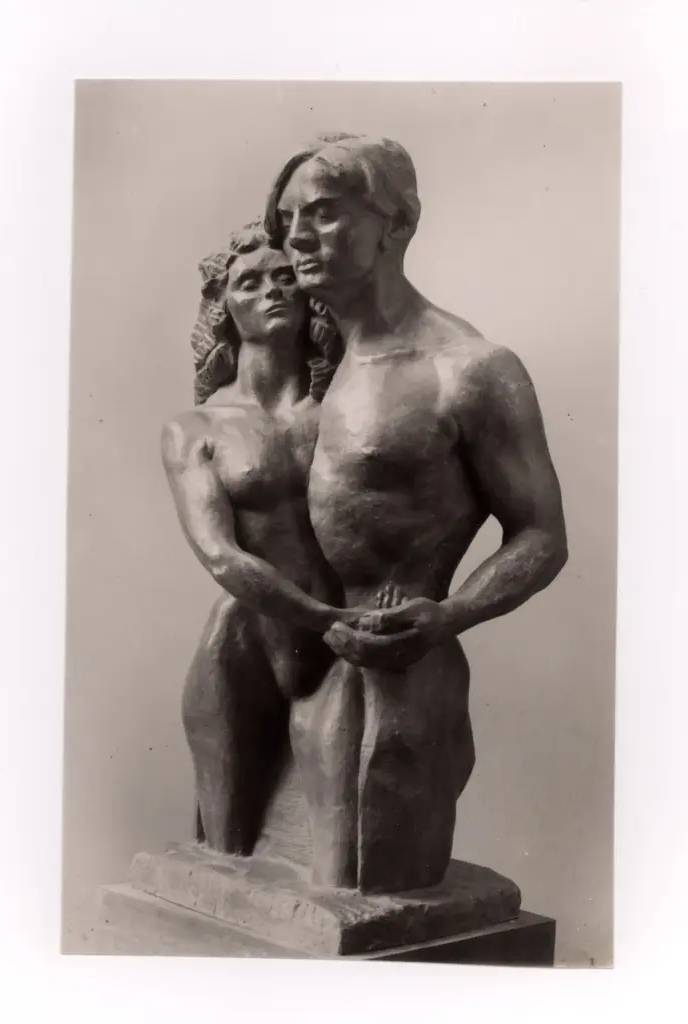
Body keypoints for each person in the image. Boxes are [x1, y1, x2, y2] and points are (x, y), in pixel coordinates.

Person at [265, 134, 568, 892]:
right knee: (282, 867)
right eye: (288, 218)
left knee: (369, 892)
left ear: (397, 223)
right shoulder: (302, 365)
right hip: (296, 660)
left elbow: (541, 535)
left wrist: (450, 614)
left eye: (324, 213)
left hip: (396, 669)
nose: (298, 236)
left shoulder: (468, 369)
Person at [161, 219, 352, 856]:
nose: (272, 291)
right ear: (223, 310)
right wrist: (324, 618)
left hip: (346, 640)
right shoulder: (196, 429)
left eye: (286, 277)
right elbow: (220, 554)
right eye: (249, 283)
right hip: (250, 640)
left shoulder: (348, 408)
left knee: (341, 853)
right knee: (226, 853)